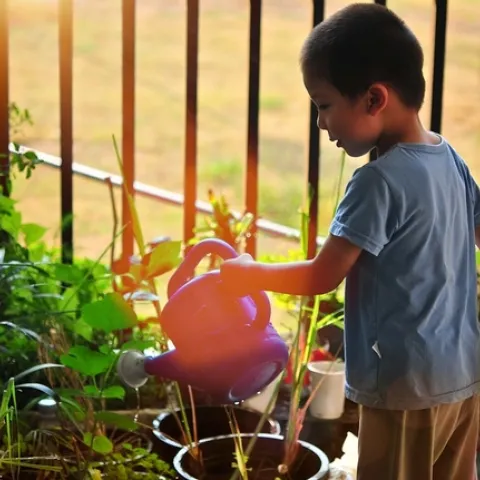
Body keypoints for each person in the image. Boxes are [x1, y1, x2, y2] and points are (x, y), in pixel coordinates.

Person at [219, 4, 480, 480]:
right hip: (463, 378)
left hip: (405, 389)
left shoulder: (378, 182)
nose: (321, 123)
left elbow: (322, 275)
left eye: (323, 104)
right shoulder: (451, 160)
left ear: (374, 98)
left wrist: (248, 273)